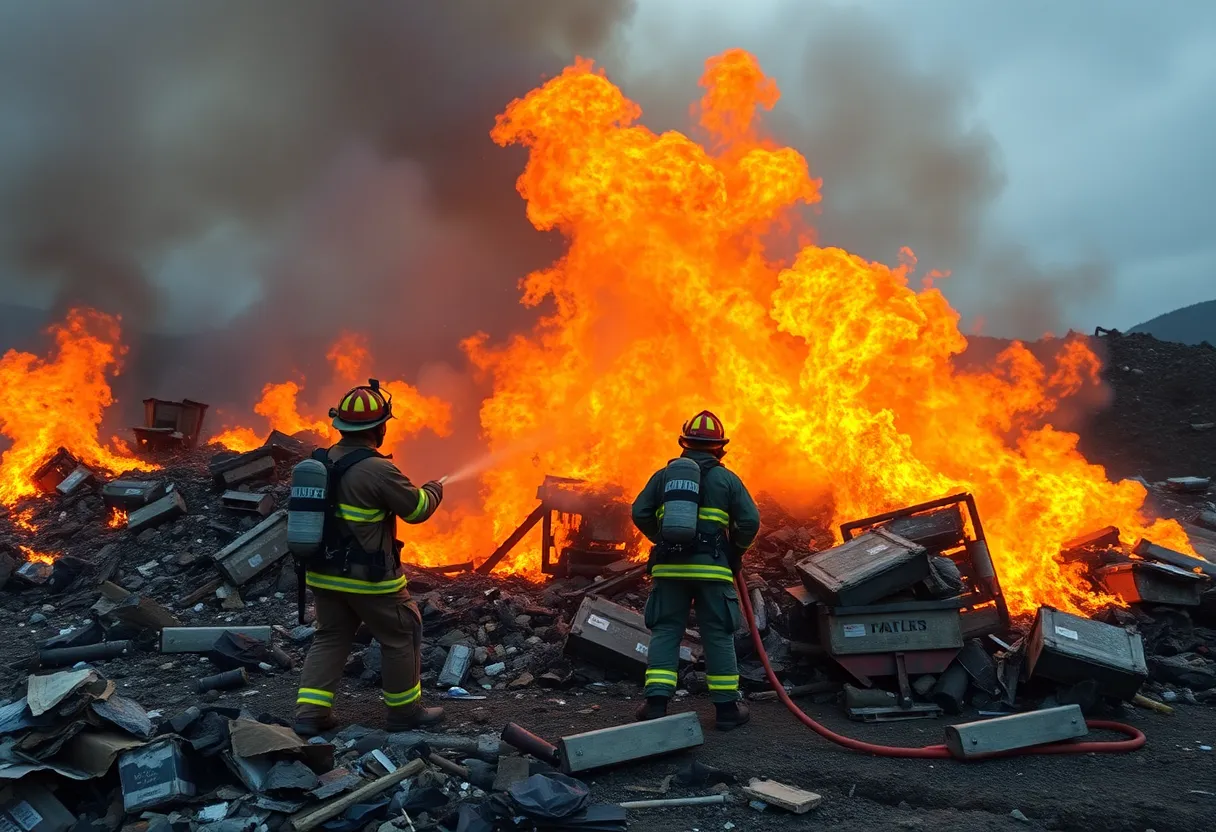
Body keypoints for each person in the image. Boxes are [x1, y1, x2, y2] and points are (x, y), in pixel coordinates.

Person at [294, 380, 445, 736]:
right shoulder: (377, 469)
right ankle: (404, 712)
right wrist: (435, 489)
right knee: (401, 633)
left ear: (340, 426)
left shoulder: (319, 462)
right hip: (368, 579)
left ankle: (309, 715)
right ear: (379, 428)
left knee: (330, 636)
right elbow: (417, 509)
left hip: (321, 574)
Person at [630, 410, 761, 730]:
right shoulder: (727, 479)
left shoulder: (664, 476)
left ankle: (657, 704)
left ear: (684, 443)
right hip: (713, 571)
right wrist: (734, 551)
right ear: (719, 447)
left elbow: (639, 511)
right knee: (717, 633)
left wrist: (662, 538)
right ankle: (727, 710)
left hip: (670, 570)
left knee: (665, 630)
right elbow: (750, 522)